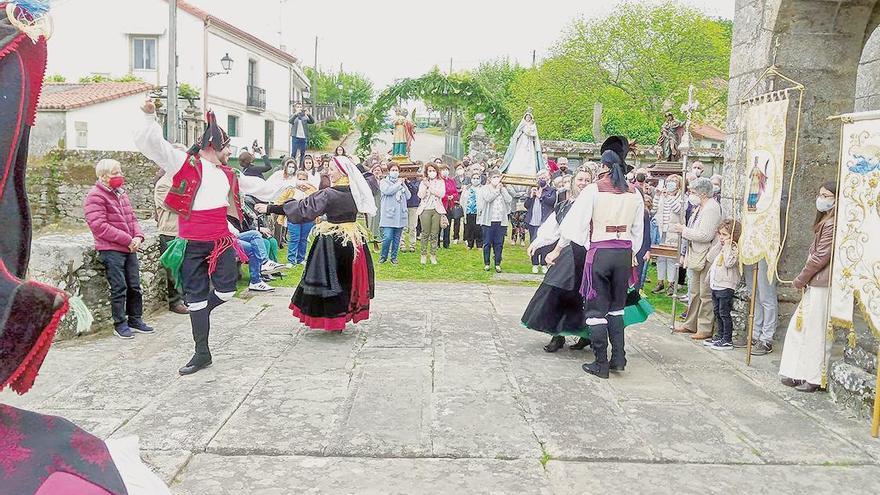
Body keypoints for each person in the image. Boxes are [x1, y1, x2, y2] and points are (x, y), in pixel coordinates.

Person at [135, 101, 247, 376]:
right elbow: (153, 147)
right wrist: (149, 117)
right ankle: (202, 353)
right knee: (194, 301)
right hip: (191, 244)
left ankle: (202, 310)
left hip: (220, 242)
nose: (230, 152)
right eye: (227, 146)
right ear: (214, 145)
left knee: (226, 291)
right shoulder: (185, 164)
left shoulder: (227, 173)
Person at [546, 136, 644, 379]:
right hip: (624, 253)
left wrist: (589, 243)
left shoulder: (593, 190)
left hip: (600, 252)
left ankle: (601, 363)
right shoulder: (635, 193)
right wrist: (630, 250)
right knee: (617, 309)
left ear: (605, 167)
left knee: (595, 311)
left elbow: (571, 226)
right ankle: (618, 358)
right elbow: (638, 232)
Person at [258, 156, 376, 332]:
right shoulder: (356, 191)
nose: (329, 171)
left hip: (332, 243)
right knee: (348, 280)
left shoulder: (329, 194)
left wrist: (270, 208)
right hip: (353, 241)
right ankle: (343, 316)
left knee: (331, 281)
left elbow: (302, 208)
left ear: (343, 172)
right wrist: (355, 163)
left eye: (333, 169)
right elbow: (371, 179)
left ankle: (334, 320)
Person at [523, 168, 594, 352]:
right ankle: (558, 335)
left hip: (587, 255)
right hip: (566, 254)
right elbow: (551, 228)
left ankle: (587, 335)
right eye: (580, 179)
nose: (583, 183)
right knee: (557, 292)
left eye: (587, 180)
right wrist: (537, 243)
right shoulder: (562, 206)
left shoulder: (594, 205)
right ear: (573, 182)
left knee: (585, 297)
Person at [84, 159, 155, 339]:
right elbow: (99, 226)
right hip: (111, 248)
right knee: (119, 287)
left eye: (120, 171)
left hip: (129, 247)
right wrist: (127, 239)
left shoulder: (121, 193)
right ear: (103, 176)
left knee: (134, 285)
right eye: (115, 173)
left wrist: (138, 236)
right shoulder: (95, 196)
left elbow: (132, 219)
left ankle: (135, 319)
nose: (119, 175)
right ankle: (120, 323)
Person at [778, 181, 837, 393]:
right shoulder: (826, 221)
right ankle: (798, 371)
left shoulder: (831, 224)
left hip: (821, 282)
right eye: (820, 194)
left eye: (826, 195)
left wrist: (801, 278)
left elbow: (821, 257)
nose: (821, 199)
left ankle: (814, 376)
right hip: (816, 281)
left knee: (815, 330)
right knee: (800, 328)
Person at [671, 177, 723, 340]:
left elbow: (705, 235)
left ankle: (705, 327)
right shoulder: (700, 207)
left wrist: (683, 230)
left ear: (702, 193)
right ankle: (690, 323)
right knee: (694, 291)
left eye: (693, 192)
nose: (690, 195)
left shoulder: (711, 208)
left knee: (705, 294)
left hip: (706, 254)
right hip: (696, 254)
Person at [154, 168, 189, 315]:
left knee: (186, 267)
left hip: (185, 231)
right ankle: (175, 301)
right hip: (170, 230)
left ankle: (188, 297)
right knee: (173, 268)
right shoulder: (163, 184)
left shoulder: (184, 180)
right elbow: (174, 205)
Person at [703, 219, 742, 350]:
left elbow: (729, 262)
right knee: (717, 312)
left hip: (726, 285)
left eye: (725, 235)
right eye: (720, 234)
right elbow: (709, 257)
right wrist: (719, 245)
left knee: (725, 313)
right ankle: (719, 336)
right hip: (715, 284)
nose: (721, 237)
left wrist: (727, 246)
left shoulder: (733, 248)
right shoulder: (721, 247)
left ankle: (727, 339)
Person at [651, 174, 685, 296]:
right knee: (660, 258)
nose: (671, 183)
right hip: (661, 230)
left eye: (674, 181)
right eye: (669, 181)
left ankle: (671, 283)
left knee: (671, 258)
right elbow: (653, 209)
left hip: (673, 232)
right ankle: (660, 282)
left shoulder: (681, 197)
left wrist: (669, 197)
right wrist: (658, 196)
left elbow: (678, 210)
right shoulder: (662, 195)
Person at [275, 170, 318, 266]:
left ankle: (301, 258)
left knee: (304, 239)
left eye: (304, 179)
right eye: (300, 179)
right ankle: (291, 260)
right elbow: (280, 201)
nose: (302, 182)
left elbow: (317, 203)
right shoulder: (290, 189)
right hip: (293, 218)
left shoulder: (312, 190)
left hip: (307, 218)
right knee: (294, 238)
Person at [479, 170, 513, 273]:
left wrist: (502, 189)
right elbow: (488, 198)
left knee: (499, 243)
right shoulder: (485, 189)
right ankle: (487, 263)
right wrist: (497, 190)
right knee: (487, 243)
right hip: (488, 221)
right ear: (489, 179)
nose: (496, 179)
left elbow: (509, 199)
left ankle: (498, 263)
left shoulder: (502, 189)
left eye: (498, 177)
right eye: (494, 177)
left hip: (500, 221)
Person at [524, 169, 557, 274]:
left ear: (548, 179)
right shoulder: (533, 189)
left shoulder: (551, 190)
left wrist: (540, 196)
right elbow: (526, 205)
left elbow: (551, 202)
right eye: (540, 178)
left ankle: (543, 263)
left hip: (545, 221)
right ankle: (534, 263)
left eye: (544, 178)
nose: (542, 180)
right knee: (534, 242)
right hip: (533, 221)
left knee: (545, 244)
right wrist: (530, 196)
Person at [378, 163, 412, 264]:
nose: (395, 172)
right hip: (389, 215)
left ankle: (394, 257)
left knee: (397, 238)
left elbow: (408, 196)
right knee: (387, 237)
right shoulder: (384, 182)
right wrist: (398, 184)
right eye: (393, 170)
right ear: (389, 171)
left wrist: (403, 184)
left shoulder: (401, 183)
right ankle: (383, 256)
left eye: (397, 170)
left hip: (400, 215)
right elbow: (388, 191)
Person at [500, 109, 546, 175]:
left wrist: (528, 128)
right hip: (521, 142)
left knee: (529, 156)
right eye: (527, 117)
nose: (528, 118)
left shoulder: (532, 125)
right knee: (519, 153)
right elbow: (517, 134)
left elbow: (532, 133)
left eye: (529, 117)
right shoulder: (522, 124)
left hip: (529, 143)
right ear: (525, 117)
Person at [417, 162, 446, 265]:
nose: (432, 172)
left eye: (433, 170)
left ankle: (433, 255)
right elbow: (420, 195)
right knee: (425, 233)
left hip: (437, 209)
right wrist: (425, 185)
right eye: (429, 171)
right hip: (425, 209)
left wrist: (430, 186)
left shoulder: (440, 182)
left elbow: (441, 194)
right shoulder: (423, 182)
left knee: (434, 234)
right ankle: (423, 255)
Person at [439, 164, 460, 249]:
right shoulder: (439, 181)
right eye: (443, 170)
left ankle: (446, 243)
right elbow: (439, 192)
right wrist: (446, 196)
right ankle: (437, 243)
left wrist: (452, 196)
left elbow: (455, 192)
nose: (445, 172)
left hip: (450, 205)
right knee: (439, 225)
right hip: (441, 205)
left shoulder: (451, 181)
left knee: (448, 224)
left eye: (447, 170)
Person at [461, 171, 484, 249]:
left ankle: (479, 244)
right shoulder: (467, 188)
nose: (475, 180)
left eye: (477, 178)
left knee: (478, 229)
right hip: (468, 211)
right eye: (474, 178)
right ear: (471, 179)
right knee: (469, 228)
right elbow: (462, 199)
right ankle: (470, 244)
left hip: (478, 212)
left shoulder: (482, 188)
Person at [403, 172, 421, 252]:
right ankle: (402, 244)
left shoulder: (417, 181)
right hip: (403, 205)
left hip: (413, 205)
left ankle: (412, 245)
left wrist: (408, 182)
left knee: (413, 227)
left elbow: (415, 190)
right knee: (403, 227)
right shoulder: (400, 180)